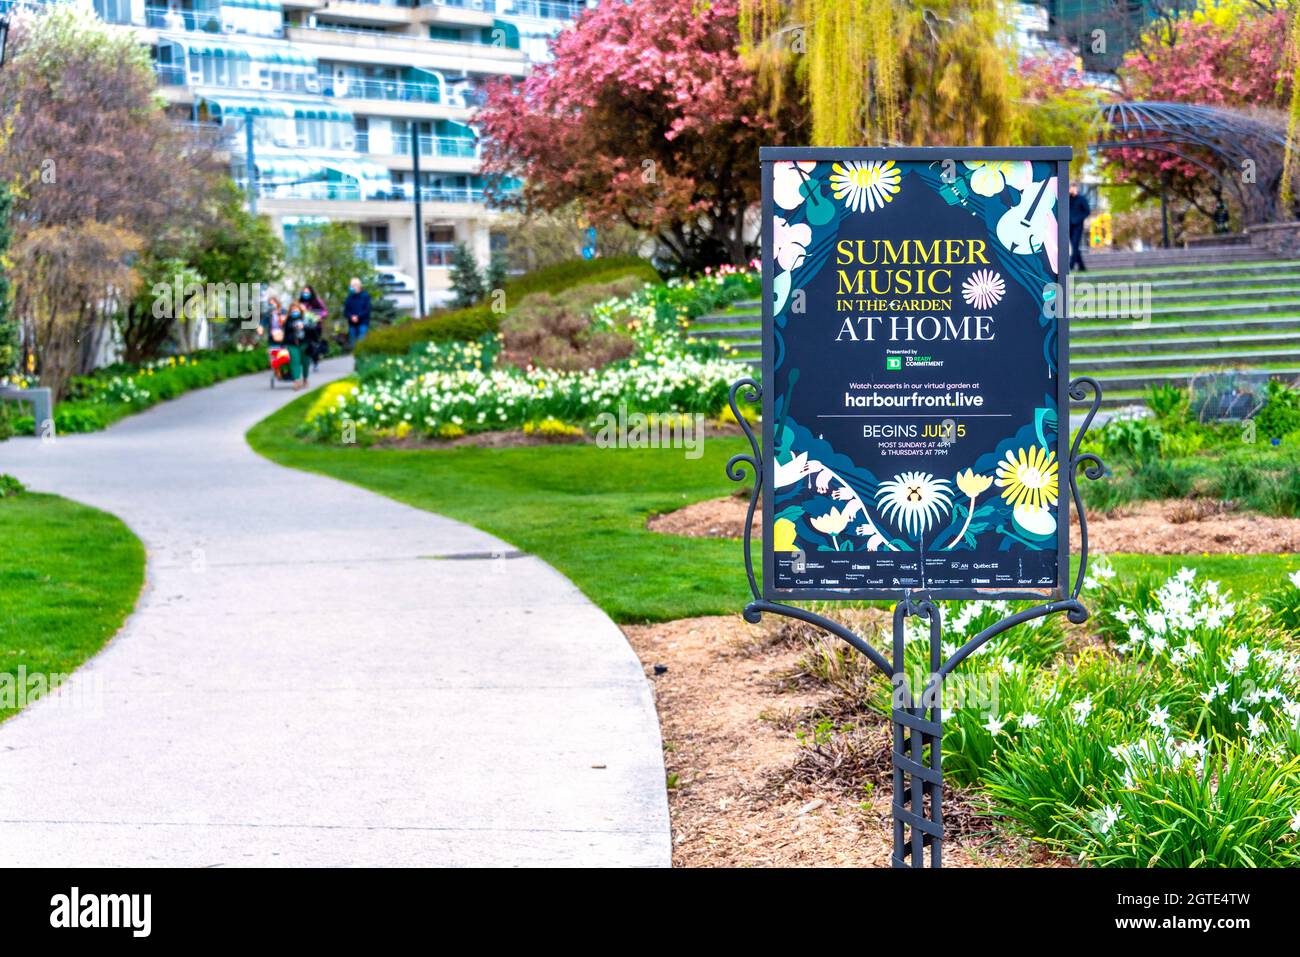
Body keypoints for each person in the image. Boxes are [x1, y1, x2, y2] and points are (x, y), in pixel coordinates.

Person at [298, 285, 328, 369]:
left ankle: (315, 362)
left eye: (307, 292)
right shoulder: (300, 302)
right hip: (304, 327)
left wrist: (320, 316)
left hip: (316, 327)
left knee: (315, 344)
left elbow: (325, 312)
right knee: (305, 343)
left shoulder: (317, 301)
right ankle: (306, 361)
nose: (305, 294)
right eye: (304, 292)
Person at [283, 305, 310, 390]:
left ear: (300, 310)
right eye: (292, 310)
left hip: (304, 343)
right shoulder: (288, 321)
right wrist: (294, 326)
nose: (294, 312)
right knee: (295, 362)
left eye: (296, 310)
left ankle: (305, 379)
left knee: (305, 362)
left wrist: (304, 326)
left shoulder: (305, 319)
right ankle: (296, 381)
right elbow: (286, 330)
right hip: (292, 344)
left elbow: (311, 328)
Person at [343, 277, 372, 348]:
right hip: (352, 324)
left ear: (358, 286)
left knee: (361, 342)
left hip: (363, 322)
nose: (351, 287)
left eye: (352, 286)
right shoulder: (349, 297)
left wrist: (358, 316)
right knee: (352, 344)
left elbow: (367, 309)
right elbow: (346, 311)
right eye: (350, 286)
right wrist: (351, 316)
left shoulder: (365, 296)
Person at [1068, 182, 1091, 272]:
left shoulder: (1081, 199)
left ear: (1076, 188)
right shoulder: (1068, 199)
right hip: (1069, 226)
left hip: (1078, 226)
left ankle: (1071, 265)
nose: (1072, 189)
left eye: (1073, 187)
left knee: (1075, 245)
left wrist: (1078, 219)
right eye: (1070, 188)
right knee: (1075, 246)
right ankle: (1081, 267)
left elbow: (1087, 211)